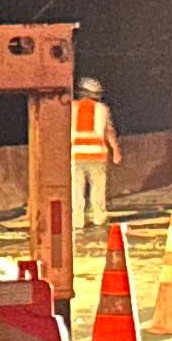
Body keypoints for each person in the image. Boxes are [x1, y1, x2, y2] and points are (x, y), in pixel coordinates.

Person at [69, 76, 118, 233]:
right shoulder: (103, 109)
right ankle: (99, 218)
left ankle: (77, 221)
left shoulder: (70, 107)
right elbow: (109, 131)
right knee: (97, 190)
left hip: (76, 156)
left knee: (76, 192)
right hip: (97, 156)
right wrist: (116, 151)